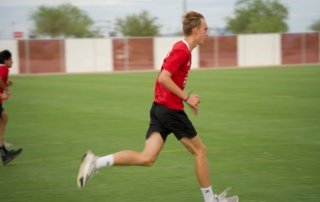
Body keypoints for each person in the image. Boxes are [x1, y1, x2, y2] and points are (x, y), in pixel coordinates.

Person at [77, 11, 239, 202]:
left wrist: (183, 99)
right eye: (205, 29)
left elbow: (166, 78)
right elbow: (163, 77)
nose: (207, 33)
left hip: (160, 109)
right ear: (195, 30)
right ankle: (211, 200)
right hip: (170, 110)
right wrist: (187, 98)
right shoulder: (183, 50)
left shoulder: (181, 48)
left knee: (147, 158)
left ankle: (95, 162)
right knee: (200, 151)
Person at [0, 49, 23, 165]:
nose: (12, 62)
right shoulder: (4, 69)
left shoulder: (1, 68)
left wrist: (6, 83)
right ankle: (4, 155)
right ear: (6, 60)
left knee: (4, 118)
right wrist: (5, 90)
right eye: (11, 59)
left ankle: (4, 154)